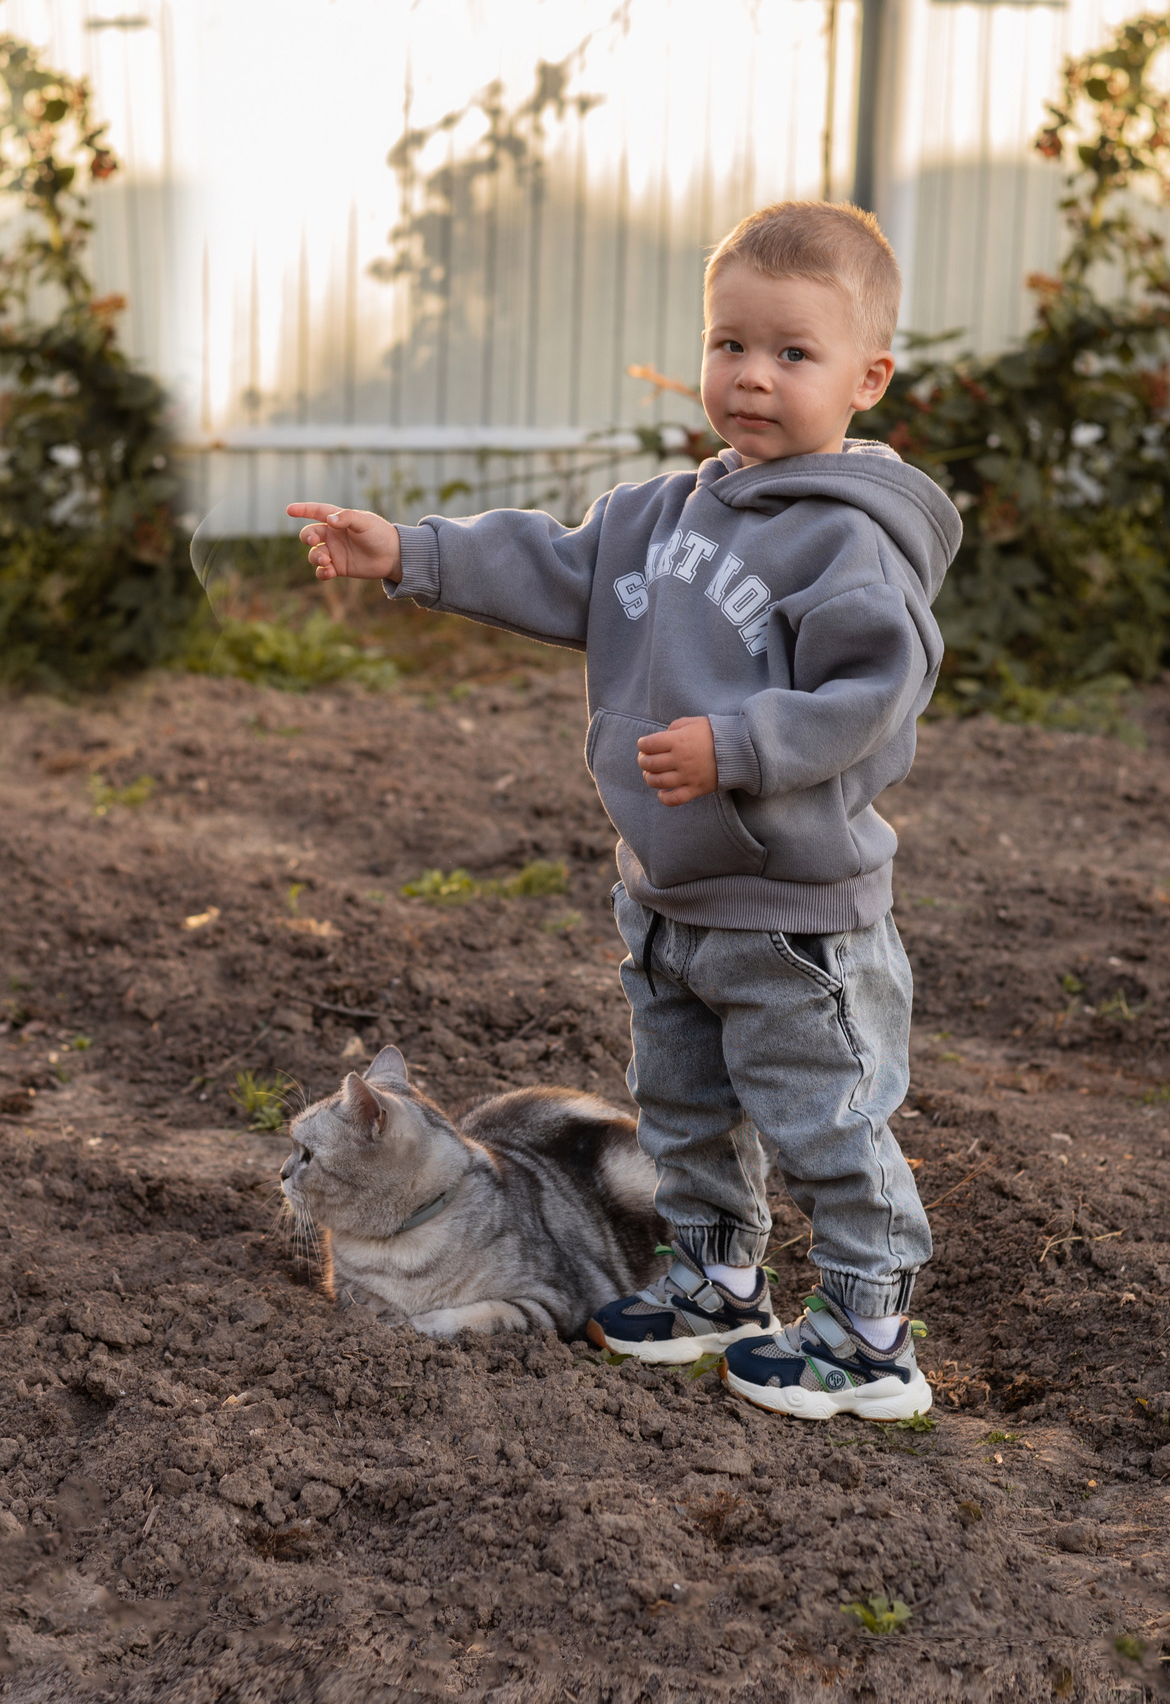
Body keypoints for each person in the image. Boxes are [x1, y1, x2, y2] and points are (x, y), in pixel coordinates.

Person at [281, 201, 960, 1421]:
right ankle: (714, 1281)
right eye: (728, 343)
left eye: (792, 354)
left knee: (827, 1121)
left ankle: (868, 1335)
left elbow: (878, 693)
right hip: (666, 896)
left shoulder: (850, 542)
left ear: (869, 376)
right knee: (684, 1110)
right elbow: (554, 565)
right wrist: (410, 553)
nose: (751, 375)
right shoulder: (662, 512)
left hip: (795, 913)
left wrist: (742, 745)